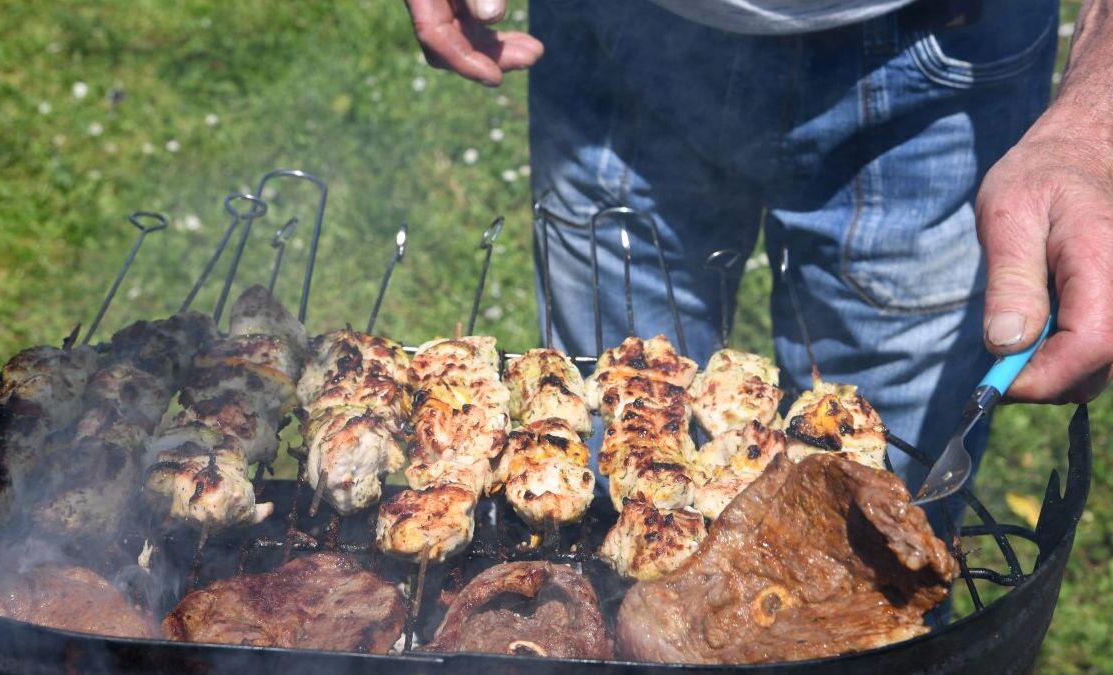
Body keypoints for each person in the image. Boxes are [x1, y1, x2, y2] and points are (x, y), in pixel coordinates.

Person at [400, 0, 1113, 525]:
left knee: (876, 537)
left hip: (945, 57)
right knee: (599, 494)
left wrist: (1096, 119)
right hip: (616, 40)